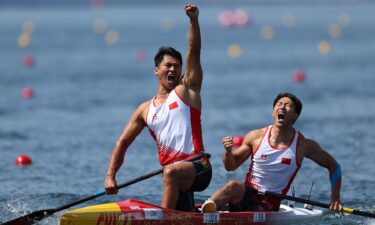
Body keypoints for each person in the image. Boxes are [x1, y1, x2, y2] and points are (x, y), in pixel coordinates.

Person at [104, 4, 211, 212]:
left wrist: (193, 20)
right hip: (175, 175)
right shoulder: (145, 109)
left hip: (200, 167)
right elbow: (123, 142)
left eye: (177, 66)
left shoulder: (187, 91)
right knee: (182, 210)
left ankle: (162, 220)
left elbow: (194, 51)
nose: (173, 69)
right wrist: (110, 175)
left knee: (169, 173)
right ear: (156, 71)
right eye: (168, 65)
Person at [201, 92, 343, 213]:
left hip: (269, 203)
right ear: (273, 112)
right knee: (233, 185)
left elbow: (334, 166)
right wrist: (228, 152)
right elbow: (230, 166)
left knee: (254, 210)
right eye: (279, 104)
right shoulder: (256, 136)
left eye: (288, 105)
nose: (282, 107)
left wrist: (335, 197)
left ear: (295, 116)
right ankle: (205, 210)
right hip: (246, 193)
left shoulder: (302, 145)